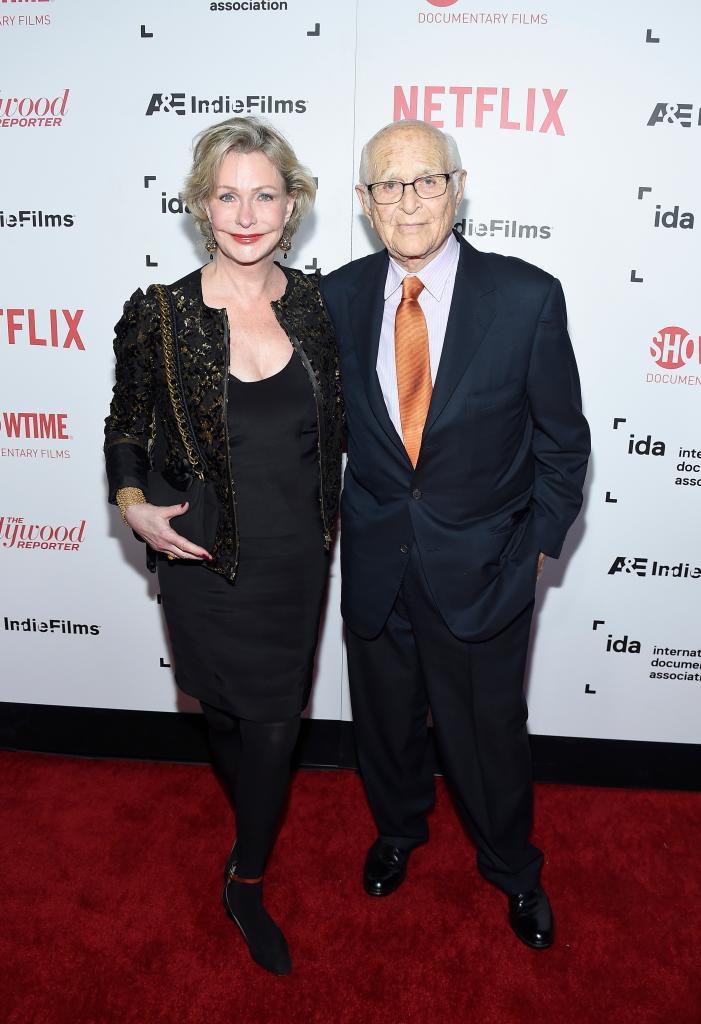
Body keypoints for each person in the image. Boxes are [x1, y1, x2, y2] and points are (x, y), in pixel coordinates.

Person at [320, 119, 590, 950]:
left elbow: (562, 445)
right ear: (365, 203)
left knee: (487, 738)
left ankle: (513, 868)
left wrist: (534, 552)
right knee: (386, 723)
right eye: (387, 186)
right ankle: (399, 831)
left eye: (425, 181)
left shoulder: (527, 296)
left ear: (459, 186)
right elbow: (315, 432)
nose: (408, 202)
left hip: (485, 572)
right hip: (376, 562)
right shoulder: (335, 297)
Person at [104, 116, 343, 976]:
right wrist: (132, 502)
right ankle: (248, 822)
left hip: (296, 560)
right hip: (200, 555)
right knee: (227, 714)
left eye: (265, 194)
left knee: (278, 720)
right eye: (228, 194)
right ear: (203, 204)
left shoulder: (320, 308)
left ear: (293, 204)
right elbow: (125, 429)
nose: (247, 213)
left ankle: (245, 875)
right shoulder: (161, 314)